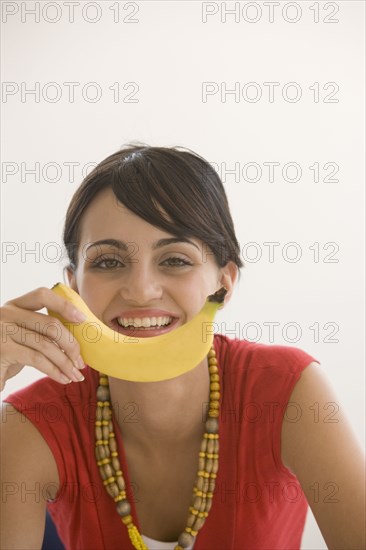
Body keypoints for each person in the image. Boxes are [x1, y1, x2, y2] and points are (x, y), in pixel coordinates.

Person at [0, 144, 364, 550]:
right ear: (72, 286)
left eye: (175, 260)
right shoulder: (29, 423)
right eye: (107, 261)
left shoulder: (289, 391)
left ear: (223, 283)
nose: (140, 291)